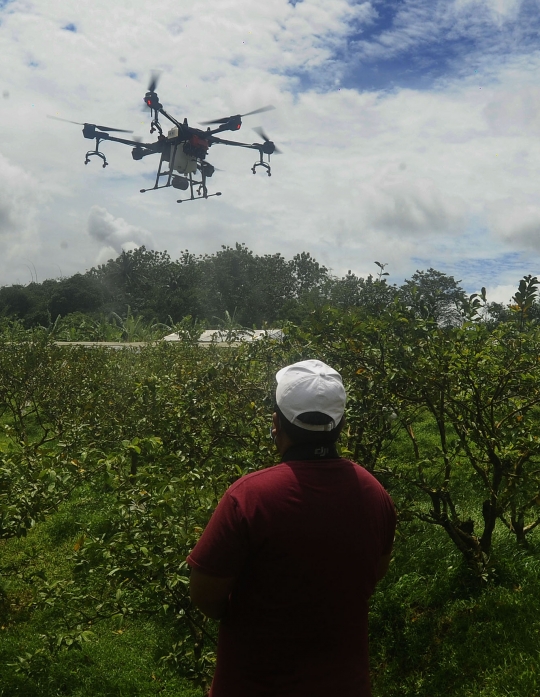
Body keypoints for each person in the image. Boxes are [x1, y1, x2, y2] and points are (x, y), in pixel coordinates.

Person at [186, 359, 396, 697]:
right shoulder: (374, 494)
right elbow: (375, 573)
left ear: (275, 424)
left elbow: (204, 595)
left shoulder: (249, 497)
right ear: (341, 425)